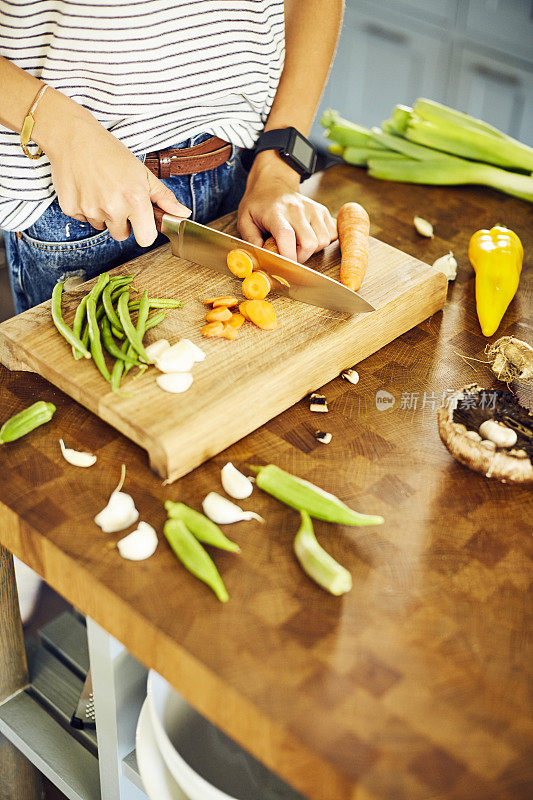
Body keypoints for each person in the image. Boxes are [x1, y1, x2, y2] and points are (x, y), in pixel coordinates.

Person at [0, 0, 344, 622]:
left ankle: (164, 642)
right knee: (108, 474)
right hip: (72, 195)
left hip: (242, 171)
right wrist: (55, 122)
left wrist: (281, 161)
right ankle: (110, 649)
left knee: (231, 442)